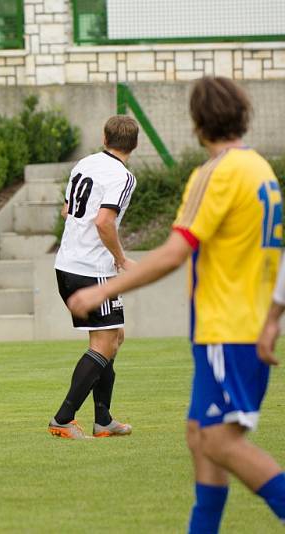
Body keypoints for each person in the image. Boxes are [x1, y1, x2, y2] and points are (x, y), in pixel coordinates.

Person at [67, 77, 285, 532]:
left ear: (197, 123)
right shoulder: (260, 169)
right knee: (198, 438)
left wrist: (104, 287)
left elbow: (175, 250)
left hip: (229, 329)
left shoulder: (216, 174)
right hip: (233, 328)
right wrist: (274, 319)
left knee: (220, 443)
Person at [49, 115, 139, 439]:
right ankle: (63, 418)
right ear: (135, 144)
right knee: (105, 343)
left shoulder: (84, 164)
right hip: (91, 269)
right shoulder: (123, 177)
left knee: (114, 338)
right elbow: (104, 222)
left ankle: (103, 419)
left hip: (67, 262)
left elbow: (66, 210)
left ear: (104, 137)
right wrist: (121, 259)